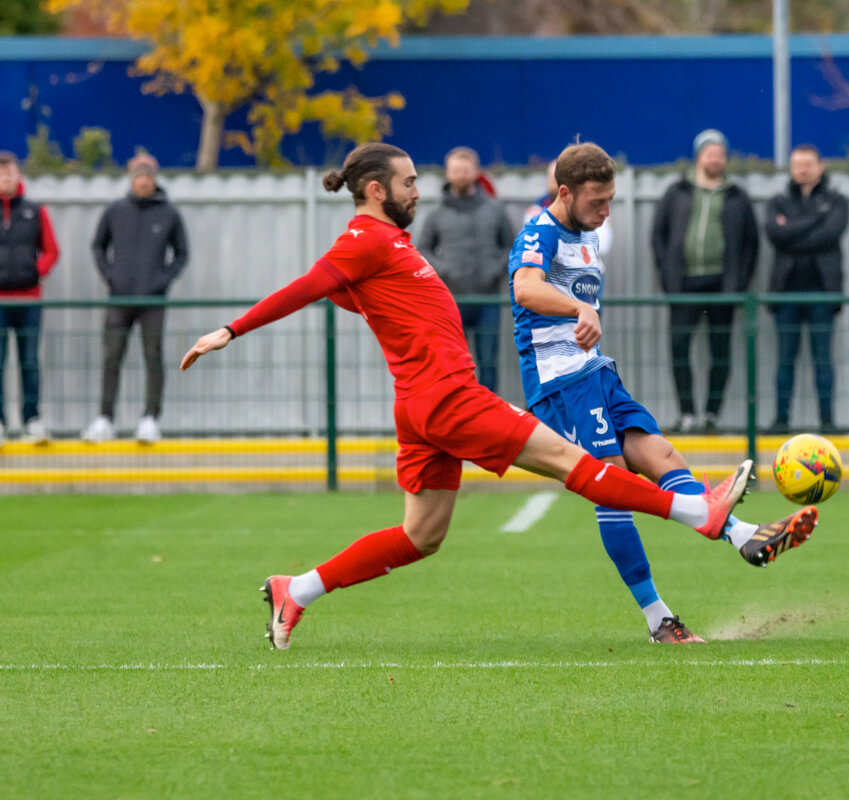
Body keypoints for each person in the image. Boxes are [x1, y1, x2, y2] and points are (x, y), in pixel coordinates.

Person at [180, 142, 755, 651]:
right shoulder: (364, 240)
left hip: (419, 404)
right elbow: (311, 284)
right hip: (448, 396)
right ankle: (699, 512)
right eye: (408, 182)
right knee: (571, 462)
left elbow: (358, 297)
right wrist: (231, 330)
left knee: (420, 536)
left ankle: (297, 589)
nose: (417, 190)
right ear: (377, 190)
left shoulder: (388, 243)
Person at [510, 142, 818, 642]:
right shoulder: (538, 232)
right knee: (611, 492)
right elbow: (525, 288)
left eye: (611, 200)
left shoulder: (586, 233)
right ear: (564, 193)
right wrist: (579, 310)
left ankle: (743, 535)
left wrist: (583, 317)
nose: (606, 211)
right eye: (597, 202)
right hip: (559, 383)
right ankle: (660, 620)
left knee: (664, 456)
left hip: (595, 373)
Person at [652, 129, 758, 433]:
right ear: (699, 156)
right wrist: (667, 274)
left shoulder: (738, 197)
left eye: (720, 153)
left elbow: (751, 243)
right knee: (679, 347)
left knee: (721, 350)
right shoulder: (678, 192)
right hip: (683, 286)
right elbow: (659, 235)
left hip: (722, 287)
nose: (715, 158)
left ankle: (712, 415)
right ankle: (686, 414)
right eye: (710, 152)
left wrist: (739, 283)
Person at [83, 154, 189, 444]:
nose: (143, 180)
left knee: (153, 358)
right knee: (111, 358)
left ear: (154, 179)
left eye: (148, 176)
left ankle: (150, 419)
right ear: (131, 178)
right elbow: (98, 247)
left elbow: (181, 254)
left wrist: (162, 281)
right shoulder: (115, 211)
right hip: (119, 300)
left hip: (153, 302)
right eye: (138, 175)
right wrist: (111, 277)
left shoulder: (169, 213)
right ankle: (105, 419)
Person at [764, 145, 849, 435]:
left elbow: (830, 234)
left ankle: (827, 422)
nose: (803, 169)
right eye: (797, 164)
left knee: (822, 359)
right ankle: (780, 421)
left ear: (820, 166)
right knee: (785, 360)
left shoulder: (836, 201)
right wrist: (815, 220)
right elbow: (776, 235)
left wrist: (792, 230)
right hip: (785, 293)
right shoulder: (778, 201)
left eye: (809, 164)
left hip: (822, 293)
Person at [417, 147, 514, 392]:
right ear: (448, 174)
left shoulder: (495, 210)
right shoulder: (436, 214)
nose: (461, 174)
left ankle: (490, 421)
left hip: (488, 300)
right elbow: (423, 250)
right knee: (452, 364)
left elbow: (513, 247)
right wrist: (445, 271)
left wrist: (495, 270)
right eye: (456, 170)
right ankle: (457, 419)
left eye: (465, 169)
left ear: (476, 173)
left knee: (488, 363)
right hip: (452, 300)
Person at [0, 151, 59, 445]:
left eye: (9, 173)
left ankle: (32, 420)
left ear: (18, 176)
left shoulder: (36, 211)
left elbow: (51, 250)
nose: (5, 179)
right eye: (1, 174)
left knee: (29, 361)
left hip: (29, 300)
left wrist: (34, 273)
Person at [524, 159, 613, 256]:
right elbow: (535, 246)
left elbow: (603, 245)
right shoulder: (535, 212)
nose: (559, 187)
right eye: (554, 181)